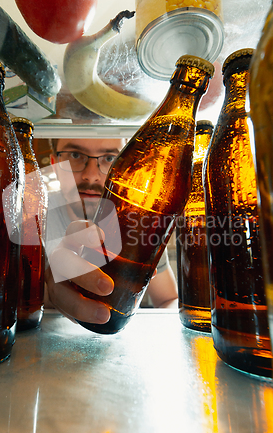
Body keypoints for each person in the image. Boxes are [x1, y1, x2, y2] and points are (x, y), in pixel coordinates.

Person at [44, 137, 178, 325]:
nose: (91, 175)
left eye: (109, 158)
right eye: (75, 155)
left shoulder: (140, 225)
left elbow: (169, 299)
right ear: (56, 165)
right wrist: (48, 295)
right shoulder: (30, 215)